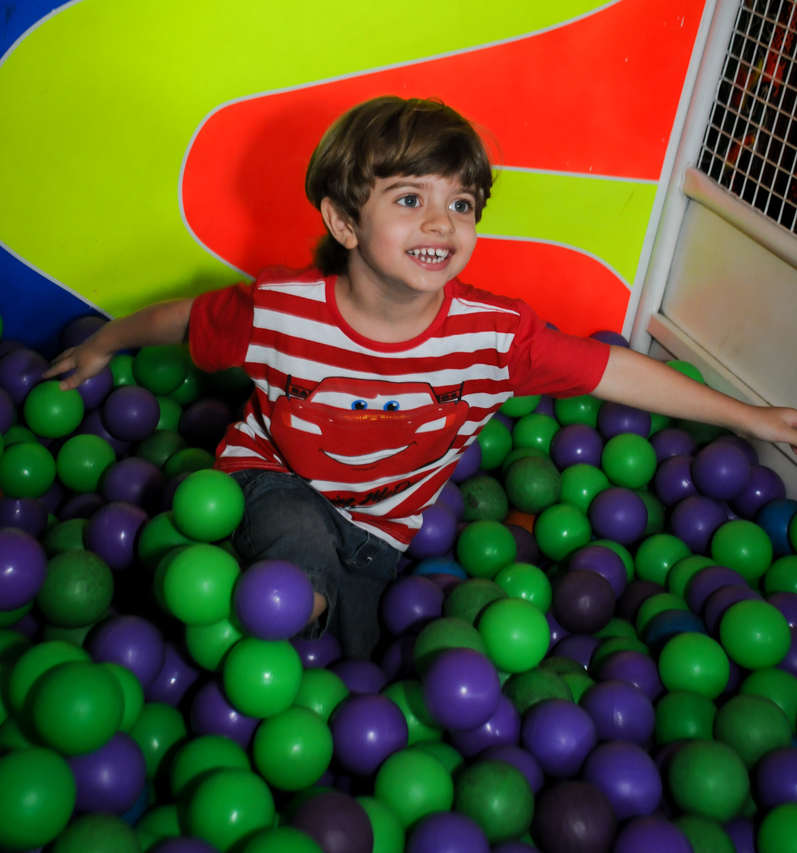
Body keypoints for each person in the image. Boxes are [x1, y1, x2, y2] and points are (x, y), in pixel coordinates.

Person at [45, 96, 797, 657]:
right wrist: (105, 344)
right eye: (410, 200)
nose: (441, 223)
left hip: (383, 530)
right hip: (271, 477)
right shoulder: (280, 310)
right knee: (292, 578)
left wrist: (750, 417)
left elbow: (613, 372)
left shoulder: (493, 337)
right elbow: (182, 319)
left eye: (460, 204)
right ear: (344, 223)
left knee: (367, 653)